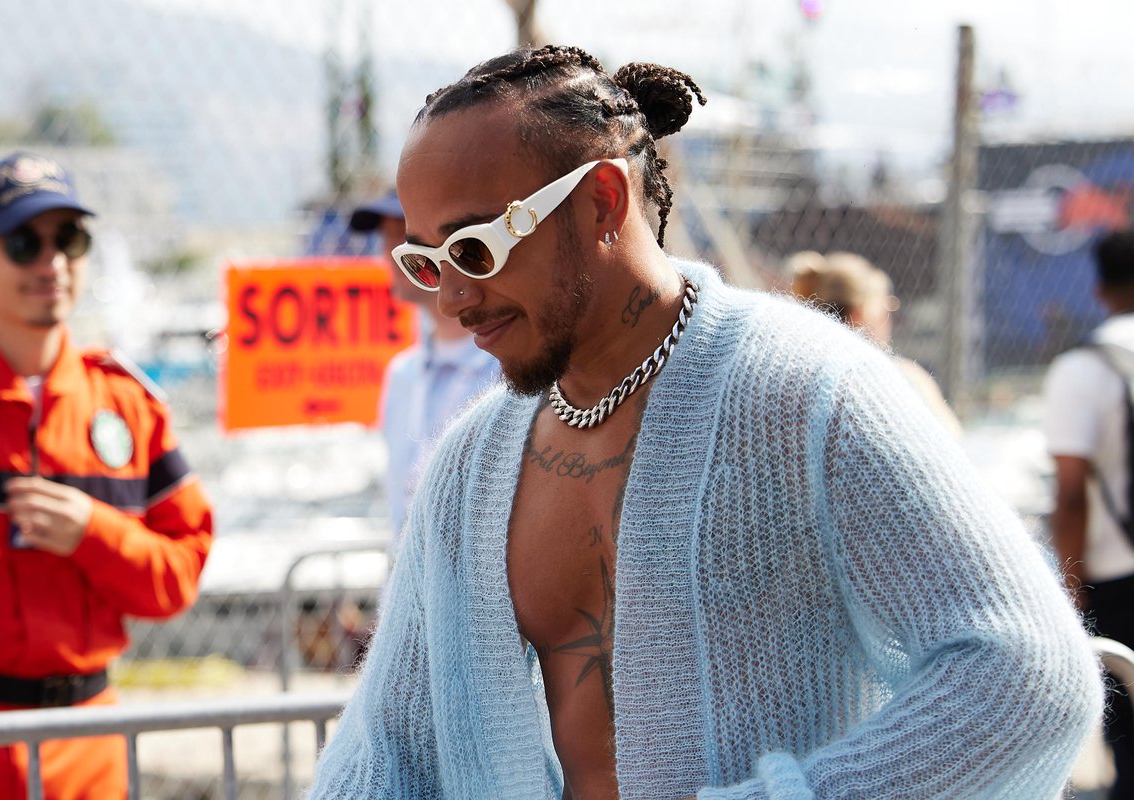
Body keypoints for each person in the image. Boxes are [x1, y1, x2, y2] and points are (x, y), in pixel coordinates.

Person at [310, 45, 1101, 800]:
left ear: (601, 202)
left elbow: (1027, 676)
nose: (452, 297)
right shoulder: (469, 468)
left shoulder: (809, 395)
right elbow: (386, 751)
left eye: (476, 249)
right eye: (425, 262)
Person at [0, 152, 214, 799]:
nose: (52, 262)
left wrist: (93, 533)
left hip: (88, 753)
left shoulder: (129, 404)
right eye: (24, 242)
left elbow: (178, 578)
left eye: (70, 239)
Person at [350, 189, 499, 544]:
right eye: (385, 237)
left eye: (404, 236)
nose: (390, 253)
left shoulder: (508, 372)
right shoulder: (402, 375)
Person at [1044, 229, 1134, 799]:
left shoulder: (1084, 368)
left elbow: (1071, 493)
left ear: (1099, 290)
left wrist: (1070, 584)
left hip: (1116, 573)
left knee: (1126, 739)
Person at [786, 249, 961, 436]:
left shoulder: (794, 377)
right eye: (888, 307)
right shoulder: (903, 377)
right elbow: (953, 441)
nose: (891, 320)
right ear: (859, 316)